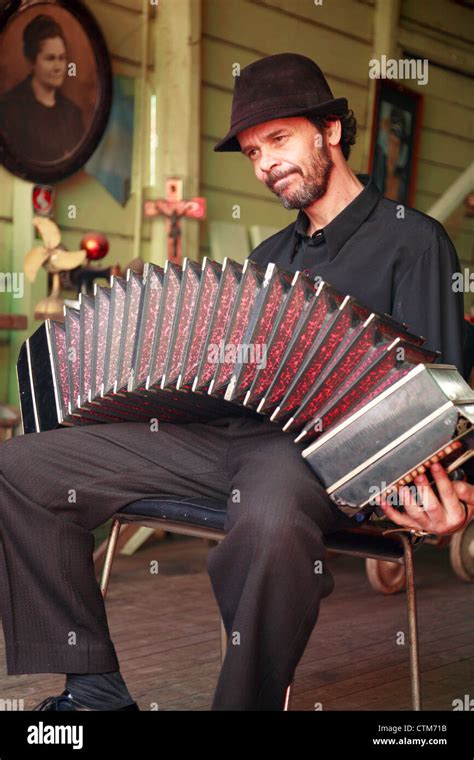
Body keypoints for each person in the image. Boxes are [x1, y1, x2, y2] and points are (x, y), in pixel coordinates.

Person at [0, 53, 472, 713]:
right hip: (221, 437)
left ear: (330, 130)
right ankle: (93, 689)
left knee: (272, 516)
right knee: (22, 466)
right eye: (252, 152)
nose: (265, 162)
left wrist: (445, 503)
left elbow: (439, 402)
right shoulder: (265, 262)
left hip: (315, 459)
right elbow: (225, 377)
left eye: (278, 140)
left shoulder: (414, 244)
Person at [0, 14, 84, 163]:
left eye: (62, 58)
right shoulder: (9, 108)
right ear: (32, 61)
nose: (58, 67)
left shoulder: (73, 114)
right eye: (50, 58)